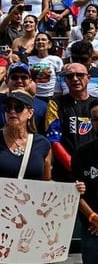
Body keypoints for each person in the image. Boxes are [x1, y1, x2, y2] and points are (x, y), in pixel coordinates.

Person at [0, 90, 52, 179]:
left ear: (30, 113)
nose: (12, 111)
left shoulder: (43, 144)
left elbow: (46, 181)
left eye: (18, 107)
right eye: (8, 108)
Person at [46, 62, 97, 182]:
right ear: (65, 80)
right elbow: (54, 140)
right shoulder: (55, 104)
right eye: (70, 76)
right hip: (65, 171)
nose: (75, 79)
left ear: (88, 78)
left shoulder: (96, 105)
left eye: (79, 75)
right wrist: (74, 167)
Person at [73, 99, 98, 262]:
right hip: (92, 229)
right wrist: (94, 217)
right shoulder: (82, 153)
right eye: (95, 119)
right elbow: (75, 192)